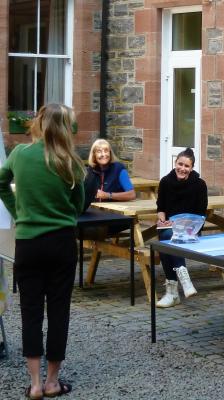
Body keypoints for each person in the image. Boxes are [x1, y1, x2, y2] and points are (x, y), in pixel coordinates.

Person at [0, 104, 85, 398]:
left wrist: (18, 211)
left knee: (31, 311)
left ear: (39, 123)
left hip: (29, 242)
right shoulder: (71, 162)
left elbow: (0, 182)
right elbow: (77, 206)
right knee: (59, 311)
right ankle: (52, 382)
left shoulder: (20, 154)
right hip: (61, 242)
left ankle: (35, 384)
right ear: (65, 128)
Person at [156, 148, 208, 308]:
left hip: (191, 229)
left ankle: (172, 293)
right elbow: (161, 208)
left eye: (187, 166)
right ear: (175, 163)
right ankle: (184, 279)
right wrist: (162, 220)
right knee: (167, 236)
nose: (182, 169)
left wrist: (184, 225)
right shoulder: (165, 182)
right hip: (169, 227)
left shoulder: (199, 185)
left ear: (192, 168)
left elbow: (201, 214)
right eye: (180, 164)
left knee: (166, 241)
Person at [85, 139, 135, 205]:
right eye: (99, 151)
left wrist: (108, 195)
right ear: (94, 155)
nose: (103, 154)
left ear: (110, 153)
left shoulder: (119, 169)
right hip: (93, 210)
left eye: (106, 151)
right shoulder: (89, 171)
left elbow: (131, 194)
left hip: (114, 211)